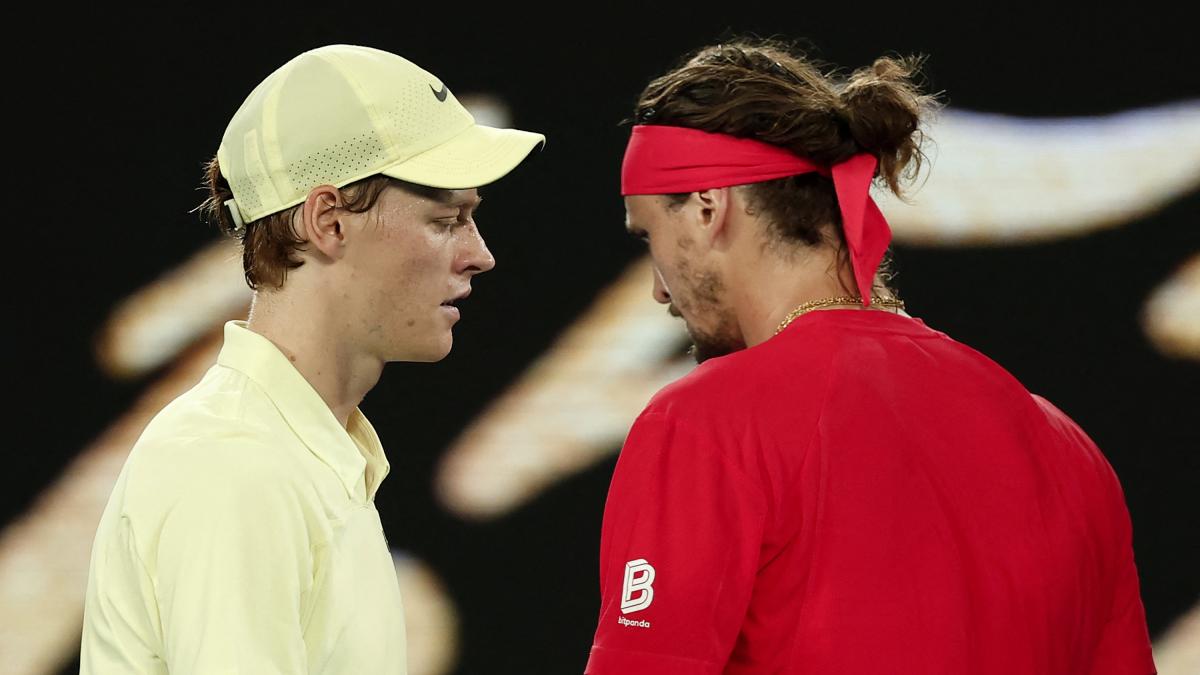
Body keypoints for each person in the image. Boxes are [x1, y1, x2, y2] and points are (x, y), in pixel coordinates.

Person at [585, 39, 1155, 675]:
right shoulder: (1066, 447)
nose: (660, 289)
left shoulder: (705, 422)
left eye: (649, 236)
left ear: (707, 209)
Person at [80, 44, 543, 674]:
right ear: (329, 221)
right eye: (446, 220)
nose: (480, 255)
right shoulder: (237, 462)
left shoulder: (291, 452)